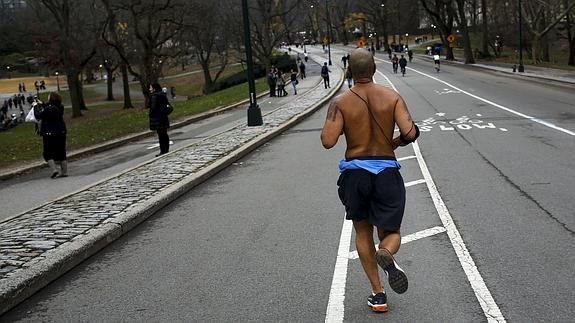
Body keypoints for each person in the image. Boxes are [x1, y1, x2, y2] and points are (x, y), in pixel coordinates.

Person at [320, 48, 420, 313]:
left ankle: (378, 294)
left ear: (350, 71)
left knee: (363, 231)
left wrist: (347, 126)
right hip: (386, 173)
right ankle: (386, 251)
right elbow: (410, 131)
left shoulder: (340, 102)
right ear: (374, 69)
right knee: (391, 232)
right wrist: (395, 141)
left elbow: (328, 141)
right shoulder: (392, 97)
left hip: (355, 175)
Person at [34, 92, 68, 178]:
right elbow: (51, 107)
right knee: (61, 151)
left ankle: (54, 169)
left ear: (51, 99)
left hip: (49, 133)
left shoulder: (48, 109)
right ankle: (64, 172)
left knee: (48, 152)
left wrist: (35, 106)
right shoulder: (60, 106)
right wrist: (42, 104)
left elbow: (38, 116)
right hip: (61, 132)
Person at [148, 83, 171, 157]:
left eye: (150, 88)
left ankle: (162, 150)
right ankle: (166, 149)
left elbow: (153, 108)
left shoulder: (154, 96)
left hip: (158, 118)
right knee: (164, 134)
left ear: (154, 88)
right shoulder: (163, 95)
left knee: (160, 135)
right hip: (164, 117)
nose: (149, 89)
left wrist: (150, 114)